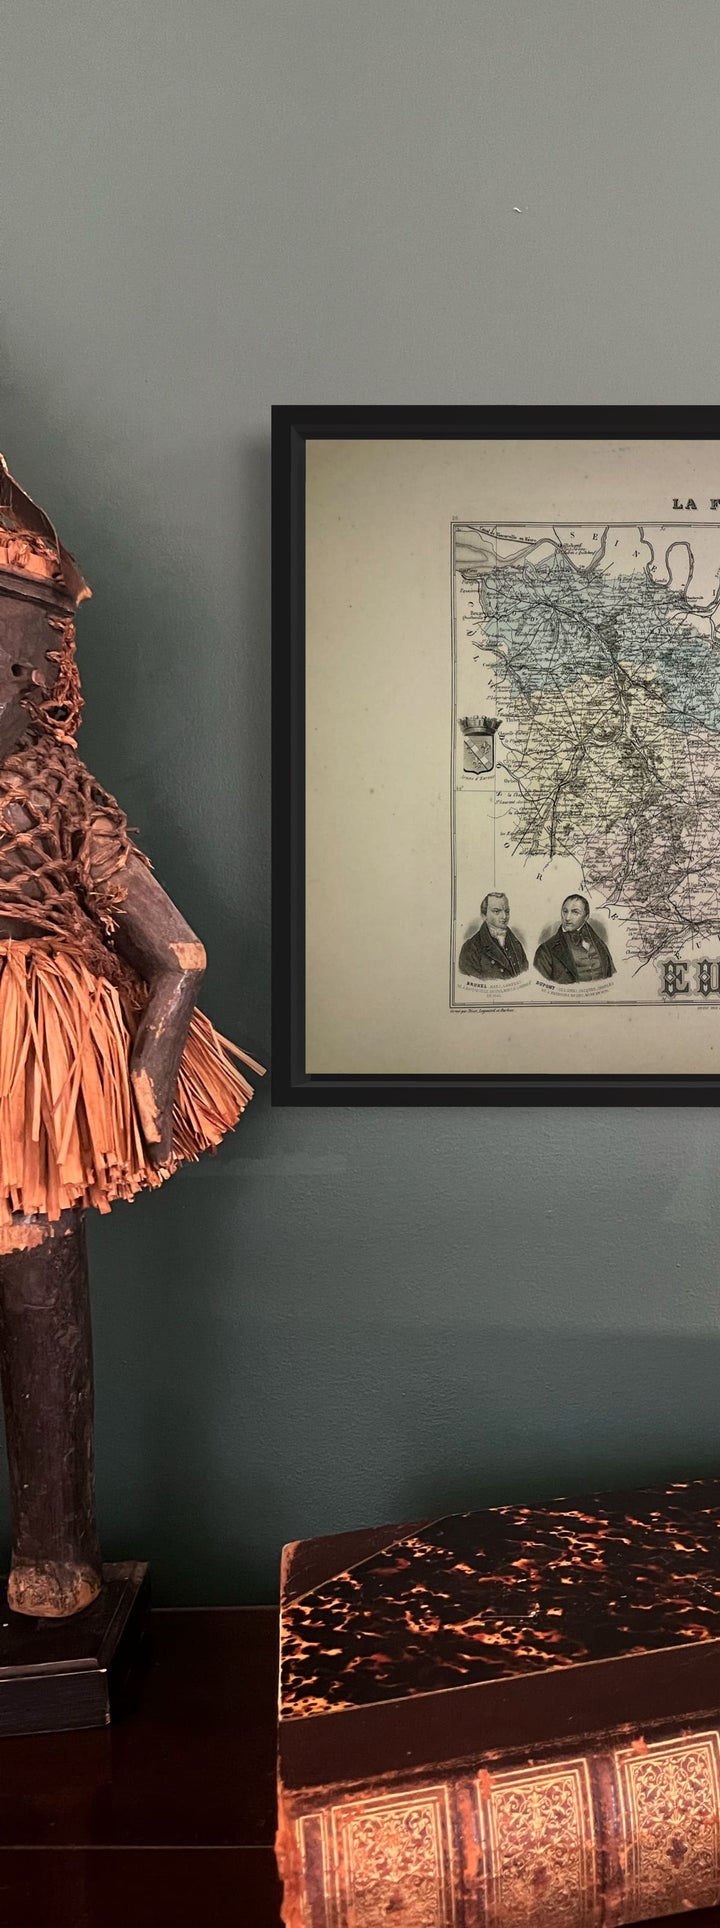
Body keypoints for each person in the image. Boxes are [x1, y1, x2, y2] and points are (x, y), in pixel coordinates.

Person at [0, 456, 259, 1616]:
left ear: (40, 669)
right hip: (38, 1067)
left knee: (35, 1286)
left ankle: (56, 1549)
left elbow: (178, 951)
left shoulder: (56, 792)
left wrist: (147, 1081)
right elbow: (182, 955)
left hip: (34, 1079)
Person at [533, 893, 615, 984]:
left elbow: (612, 977)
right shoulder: (545, 951)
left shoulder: (600, 945)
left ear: (586, 917)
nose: (567, 918)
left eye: (575, 912)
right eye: (565, 911)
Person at [458, 891, 527, 979]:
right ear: (484, 915)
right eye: (496, 911)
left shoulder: (516, 944)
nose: (504, 916)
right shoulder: (470, 948)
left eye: (507, 911)